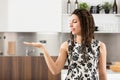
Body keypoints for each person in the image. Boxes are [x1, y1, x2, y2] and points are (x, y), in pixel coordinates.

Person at [24, 9, 107, 80]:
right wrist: (43, 48)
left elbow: (102, 74)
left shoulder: (100, 46)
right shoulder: (67, 45)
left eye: (74, 22)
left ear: (85, 23)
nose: (70, 25)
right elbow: (55, 70)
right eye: (70, 22)